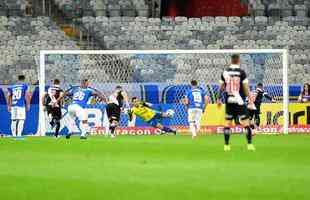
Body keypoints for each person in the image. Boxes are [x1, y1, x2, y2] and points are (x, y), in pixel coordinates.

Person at [217, 54, 255, 151]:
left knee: (227, 124)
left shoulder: (225, 72)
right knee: (246, 123)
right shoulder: (241, 72)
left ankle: (226, 146)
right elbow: (246, 88)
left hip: (229, 100)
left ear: (231, 60)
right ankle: (249, 144)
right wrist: (250, 99)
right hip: (239, 100)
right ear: (238, 60)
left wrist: (218, 98)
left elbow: (221, 87)